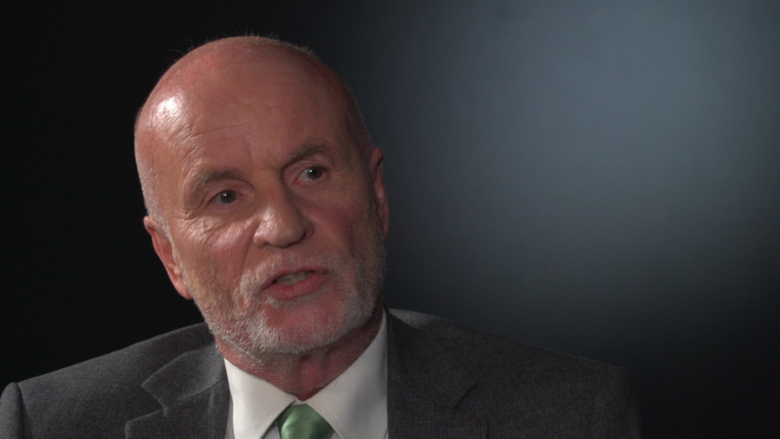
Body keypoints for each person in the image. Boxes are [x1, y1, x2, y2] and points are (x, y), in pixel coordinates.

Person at [0, 36, 641, 438]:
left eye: (310, 172)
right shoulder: (51, 425)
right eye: (226, 197)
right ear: (171, 257)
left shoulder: (573, 416)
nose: (284, 226)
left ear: (377, 196)